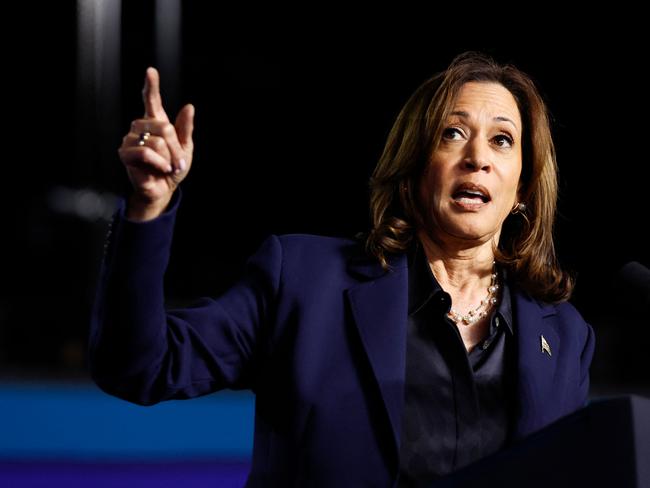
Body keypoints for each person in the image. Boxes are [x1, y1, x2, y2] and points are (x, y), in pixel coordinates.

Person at [89, 52, 595, 487]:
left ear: (523, 188)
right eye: (452, 133)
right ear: (416, 165)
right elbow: (138, 366)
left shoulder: (566, 336)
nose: (477, 157)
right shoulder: (303, 283)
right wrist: (148, 210)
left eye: (503, 140)